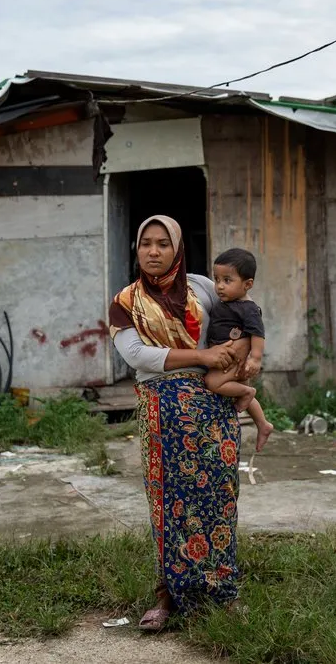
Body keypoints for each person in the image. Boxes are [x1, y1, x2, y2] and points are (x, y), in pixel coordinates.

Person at [109, 215, 253, 631]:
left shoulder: (203, 288)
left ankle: (223, 595)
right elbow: (137, 356)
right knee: (167, 506)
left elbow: (239, 322)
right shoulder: (125, 302)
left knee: (219, 500)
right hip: (161, 411)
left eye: (163, 244)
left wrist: (239, 360)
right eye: (145, 244)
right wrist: (202, 357)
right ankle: (168, 596)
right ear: (136, 250)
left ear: (178, 249)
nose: (153, 252)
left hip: (212, 409)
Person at [203, 248, 274, 453]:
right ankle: (263, 424)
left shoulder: (248, 308)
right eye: (217, 279)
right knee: (238, 394)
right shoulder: (226, 302)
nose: (219, 286)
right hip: (227, 356)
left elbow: (257, 334)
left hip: (234, 359)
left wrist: (256, 358)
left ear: (247, 284)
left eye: (227, 280)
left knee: (212, 383)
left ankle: (247, 392)